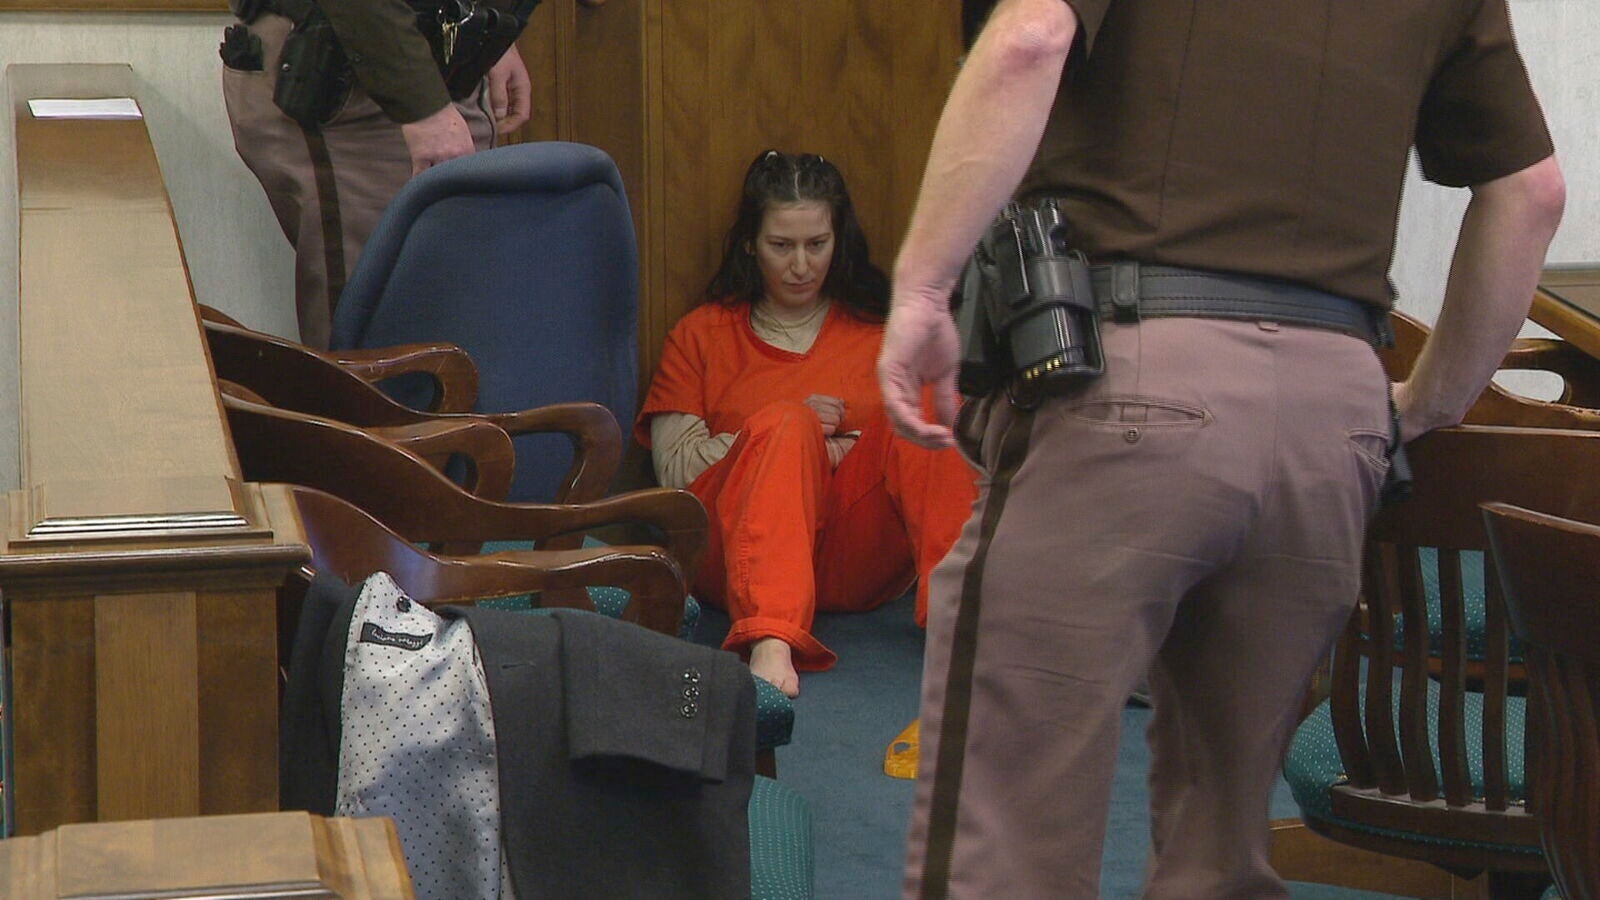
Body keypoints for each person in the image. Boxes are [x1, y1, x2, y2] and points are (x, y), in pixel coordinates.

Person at [879, 1, 1564, 896]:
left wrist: (924, 289)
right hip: (1338, 416)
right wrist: (1425, 404)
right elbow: (1532, 192)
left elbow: (1029, 39)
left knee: (1010, 840)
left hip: (1127, 385)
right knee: (1223, 847)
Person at [635, 150, 980, 698]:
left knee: (930, 405)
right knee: (790, 424)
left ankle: (963, 620)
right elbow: (675, 473)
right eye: (782, 246)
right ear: (751, 244)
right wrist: (787, 430)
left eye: (817, 245)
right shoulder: (701, 334)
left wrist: (835, 453)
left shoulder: (880, 333)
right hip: (736, 555)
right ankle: (771, 639)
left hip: (853, 554)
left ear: (838, 241)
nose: (801, 265)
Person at [220, 0, 533, 348]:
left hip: (427, 56)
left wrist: (492, 29)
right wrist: (421, 106)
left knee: (450, 321)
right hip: (359, 69)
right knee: (385, 346)